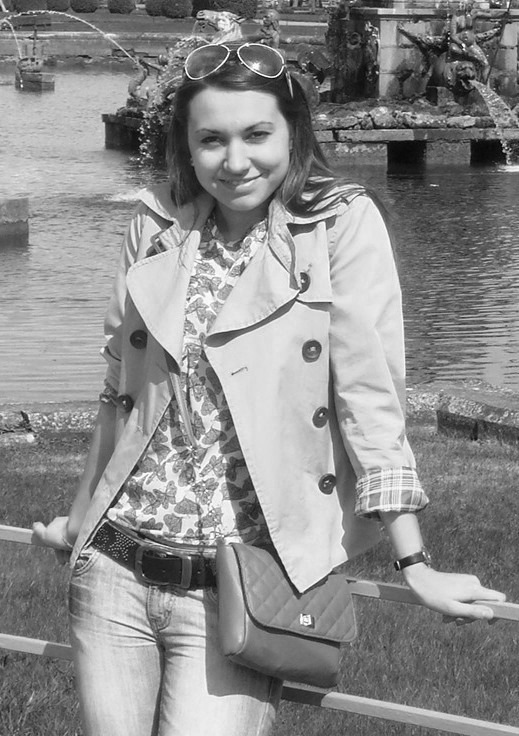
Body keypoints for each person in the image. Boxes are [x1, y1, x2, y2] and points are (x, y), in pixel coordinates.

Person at [33, 41, 505, 736]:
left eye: (256, 135)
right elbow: (118, 392)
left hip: (243, 584)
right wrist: (78, 524)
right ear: (186, 145)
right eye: (211, 140)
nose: (234, 161)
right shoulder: (156, 223)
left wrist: (415, 562)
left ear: (293, 132)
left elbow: (369, 399)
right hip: (114, 569)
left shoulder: (337, 226)